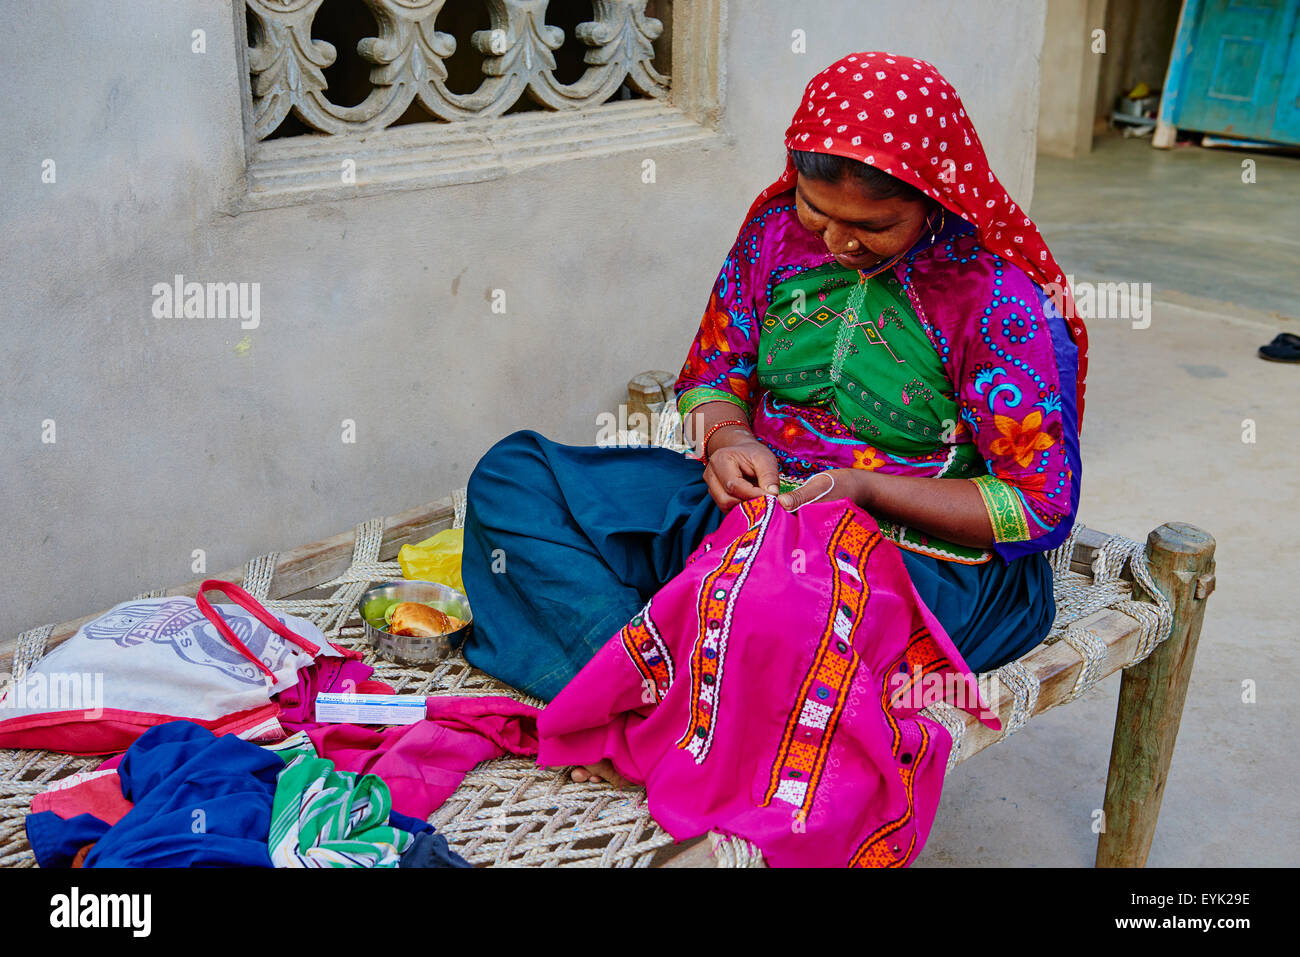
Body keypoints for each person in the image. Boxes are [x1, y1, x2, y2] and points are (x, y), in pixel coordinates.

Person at [459, 52, 1086, 785]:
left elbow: (1038, 507)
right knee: (514, 478)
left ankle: (655, 687)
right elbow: (710, 378)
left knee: (775, 606)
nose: (838, 244)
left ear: (934, 195)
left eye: (873, 226)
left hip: (918, 563)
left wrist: (863, 490)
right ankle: (649, 682)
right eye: (817, 212)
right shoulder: (772, 239)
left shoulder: (995, 299)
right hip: (755, 514)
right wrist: (727, 439)